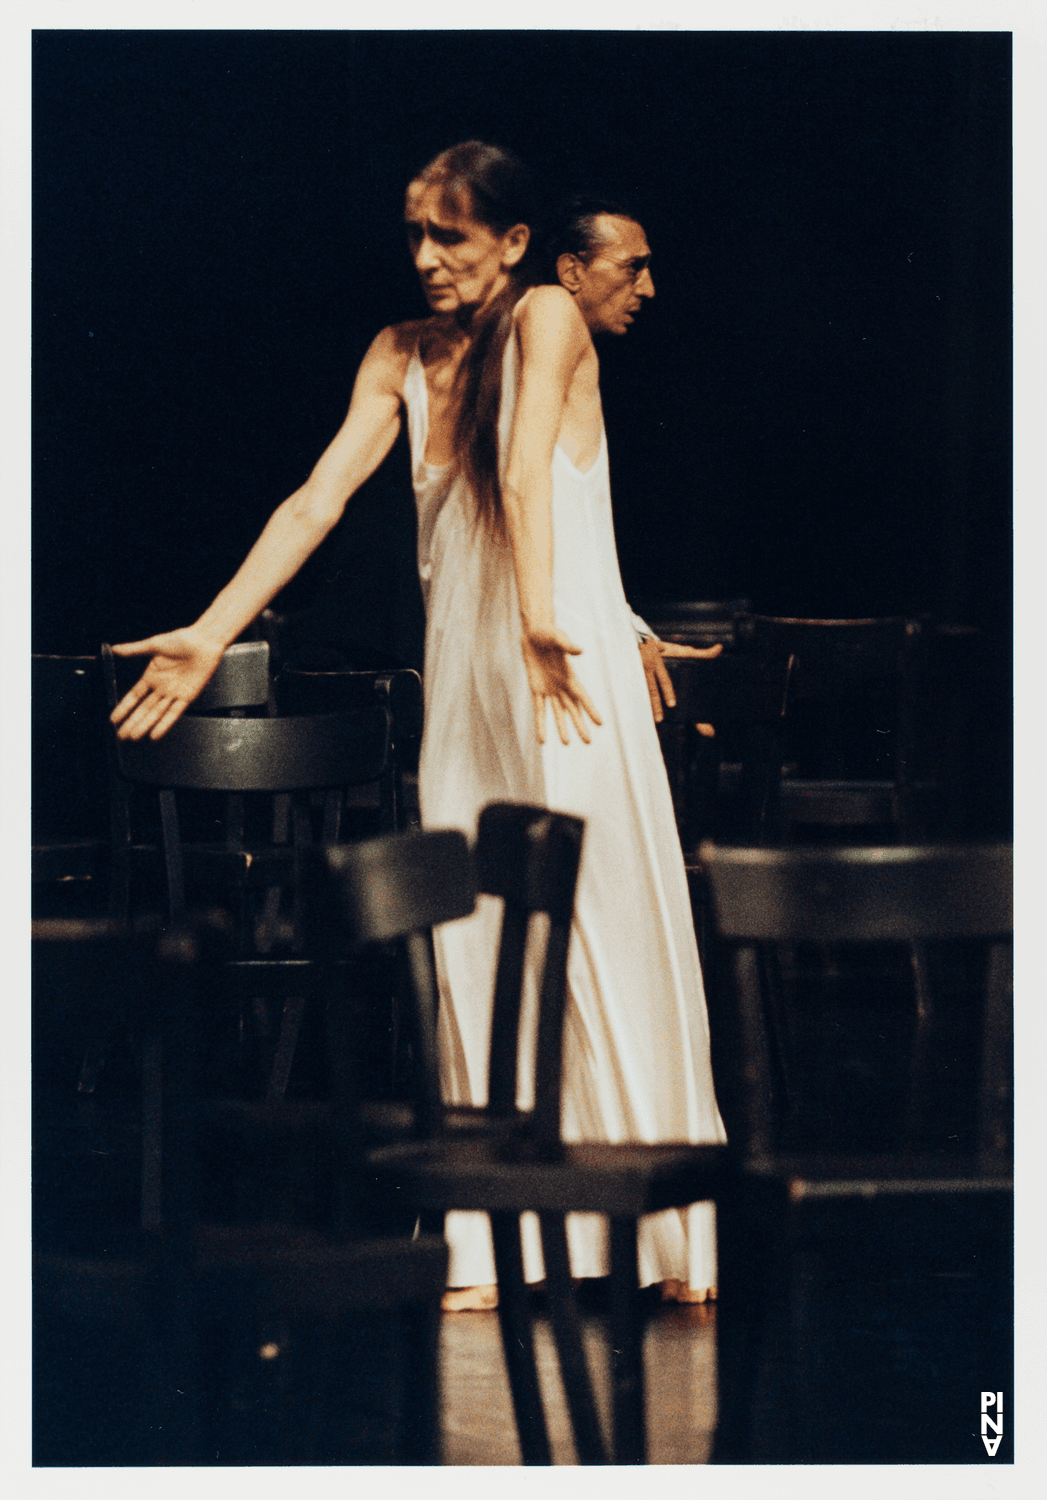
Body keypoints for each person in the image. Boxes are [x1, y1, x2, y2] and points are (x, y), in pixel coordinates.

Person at [110, 141, 726, 1308]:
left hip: (559, 673)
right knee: (475, 935)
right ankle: (493, 1235)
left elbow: (528, 472)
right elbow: (316, 499)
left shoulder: (549, 315)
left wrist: (546, 620)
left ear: (511, 240)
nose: (427, 257)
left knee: (595, 919)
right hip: (471, 689)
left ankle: (664, 1235)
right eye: (413, 234)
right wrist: (210, 627)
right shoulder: (399, 352)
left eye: (449, 234)